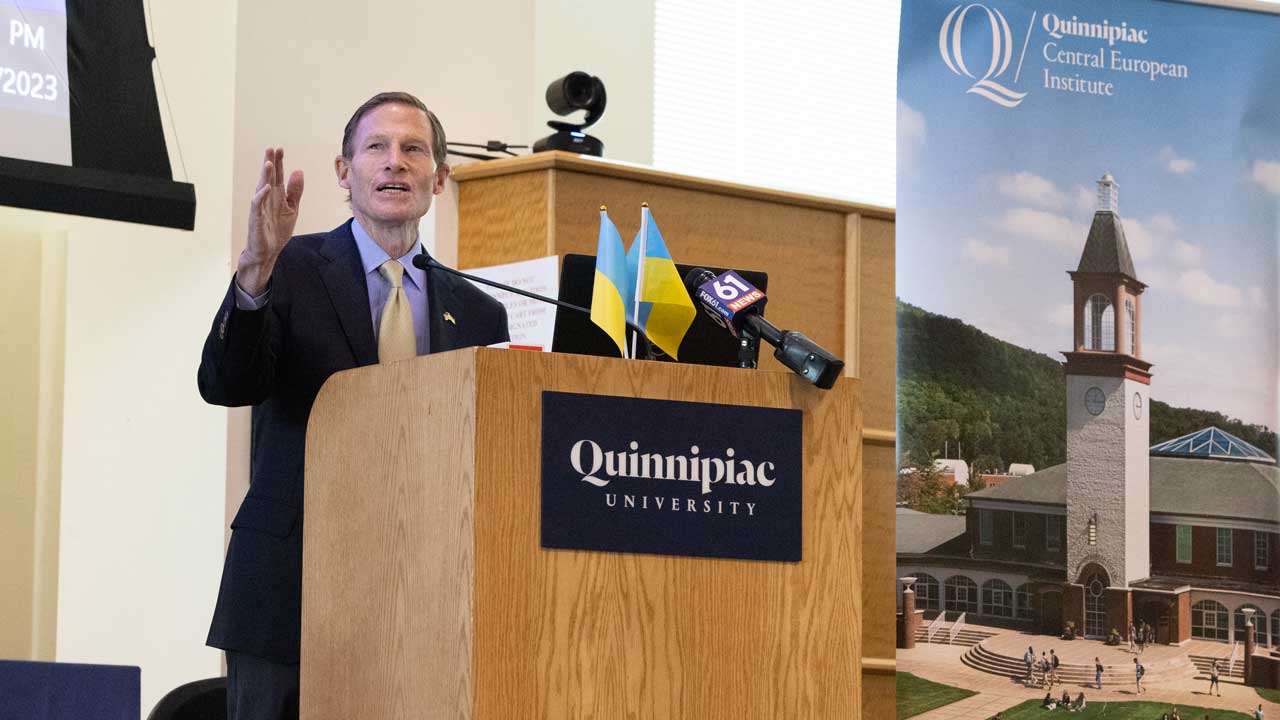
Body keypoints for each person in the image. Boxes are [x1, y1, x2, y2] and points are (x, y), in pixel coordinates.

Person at [199, 92, 510, 720]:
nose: (394, 163)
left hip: (424, 600)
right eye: (376, 148)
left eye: (413, 149)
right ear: (345, 172)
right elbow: (226, 383)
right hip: (291, 589)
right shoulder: (288, 269)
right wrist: (255, 271)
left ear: (440, 178)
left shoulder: (479, 311)